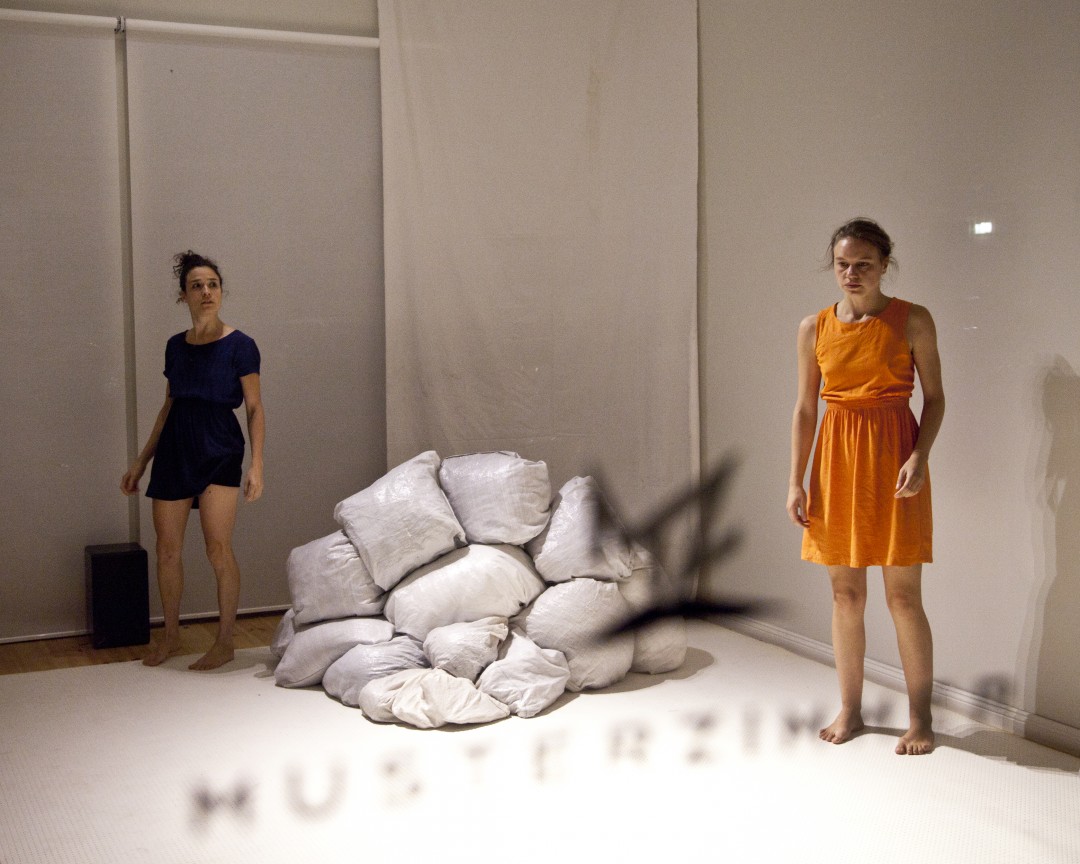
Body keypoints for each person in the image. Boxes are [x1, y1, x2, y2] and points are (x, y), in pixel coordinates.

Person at [787, 219, 944, 755]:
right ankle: (850, 710)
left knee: (903, 598)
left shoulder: (913, 319)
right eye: (842, 265)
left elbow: (936, 398)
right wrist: (795, 481)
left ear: (884, 266)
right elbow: (806, 409)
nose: (851, 274)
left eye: (863, 265)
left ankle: (920, 718)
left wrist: (920, 456)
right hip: (836, 464)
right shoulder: (814, 327)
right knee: (845, 595)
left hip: (895, 461)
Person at [121, 251, 265, 670]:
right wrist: (141, 461)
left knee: (218, 548)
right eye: (197, 286)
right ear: (183, 295)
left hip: (219, 447)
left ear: (221, 291)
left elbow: (254, 407)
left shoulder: (241, 345)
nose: (206, 292)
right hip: (174, 449)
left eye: (213, 285)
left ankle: (225, 641)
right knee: (167, 550)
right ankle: (170, 636)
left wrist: (257, 465)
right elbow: (168, 407)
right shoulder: (175, 346)